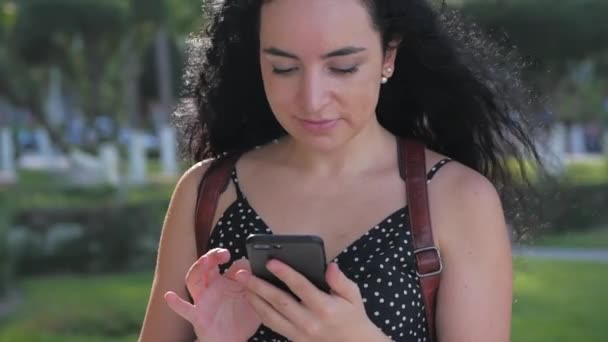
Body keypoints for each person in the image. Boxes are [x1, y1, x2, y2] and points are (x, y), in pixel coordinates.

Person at [139, 0, 540, 341]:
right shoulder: (208, 192)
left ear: (388, 56)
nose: (312, 100)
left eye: (343, 67)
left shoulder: (458, 198)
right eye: (283, 68)